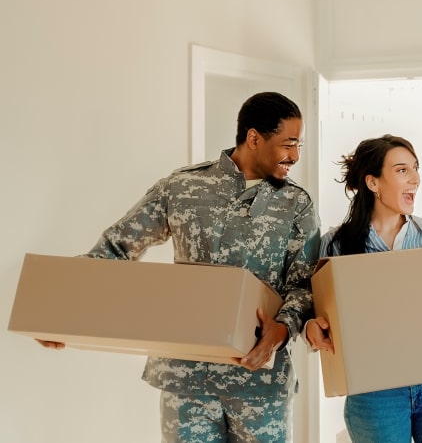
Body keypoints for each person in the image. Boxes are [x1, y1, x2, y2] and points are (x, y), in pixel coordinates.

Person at [36, 91, 321, 443]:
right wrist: (58, 313)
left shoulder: (297, 203)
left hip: (259, 382)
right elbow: (115, 248)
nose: (294, 156)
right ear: (253, 138)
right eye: (288, 144)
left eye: (298, 146)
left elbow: (304, 284)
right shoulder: (182, 186)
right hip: (186, 382)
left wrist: (282, 329)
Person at [305, 134, 422, 443]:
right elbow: (315, 313)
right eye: (402, 170)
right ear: (373, 183)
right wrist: (312, 326)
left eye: (415, 168)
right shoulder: (336, 244)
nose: (416, 179)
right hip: (374, 391)